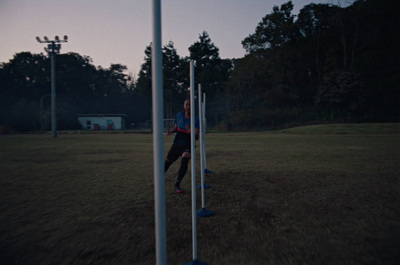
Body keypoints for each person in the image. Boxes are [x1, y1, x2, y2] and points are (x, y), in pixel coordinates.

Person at [164, 97, 199, 193]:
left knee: (185, 159)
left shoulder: (196, 119)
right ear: (184, 106)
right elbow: (176, 128)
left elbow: (196, 136)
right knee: (168, 161)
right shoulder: (179, 116)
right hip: (177, 142)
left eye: (190, 105)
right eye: (186, 104)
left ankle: (177, 184)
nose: (188, 107)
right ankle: (159, 177)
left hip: (188, 143)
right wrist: (170, 132)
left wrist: (190, 131)